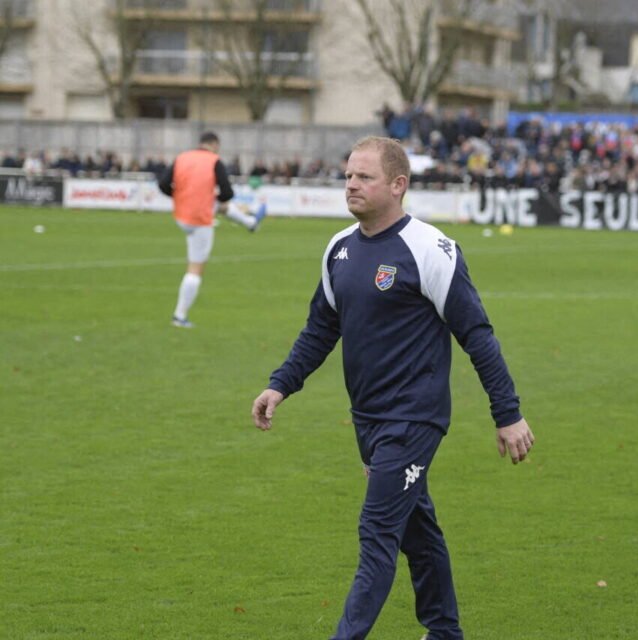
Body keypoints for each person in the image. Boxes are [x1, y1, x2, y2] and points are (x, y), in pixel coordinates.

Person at [251, 136, 535, 639]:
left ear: (398, 185)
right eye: (348, 176)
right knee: (416, 530)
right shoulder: (339, 248)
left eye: (364, 177)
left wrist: (507, 414)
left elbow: (477, 335)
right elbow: (322, 327)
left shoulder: (429, 249)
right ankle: (445, 631)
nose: (351, 185)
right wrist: (281, 385)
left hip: (415, 417)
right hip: (368, 418)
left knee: (377, 530)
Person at [159, 131, 266, 328]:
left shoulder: (182, 157)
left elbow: (163, 184)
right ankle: (179, 316)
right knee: (195, 269)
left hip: (182, 214)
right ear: (214, 145)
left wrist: (181, 196)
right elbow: (227, 193)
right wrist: (212, 198)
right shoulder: (214, 161)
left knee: (220, 207)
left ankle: (250, 222)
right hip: (200, 220)